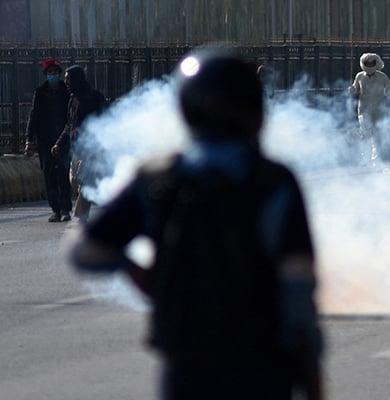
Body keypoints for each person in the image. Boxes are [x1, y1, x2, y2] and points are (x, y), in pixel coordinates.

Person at [69, 48, 323, 400]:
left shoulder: (158, 179)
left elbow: (86, 252)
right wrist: (311, 371)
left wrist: (138, 272)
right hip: (261, 365)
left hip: (186, 366)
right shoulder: (273, 180)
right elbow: (298, 287)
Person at [51, 65, 106, 222]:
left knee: (85, 182)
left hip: (91, 149)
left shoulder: (94, 97)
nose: (66, 82)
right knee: (75, 180)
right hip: (77, 148)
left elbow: (103, 120)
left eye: (69, 79)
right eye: (66, 79)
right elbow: (70, 124)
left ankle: (81, 217)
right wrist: (59, 143)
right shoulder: (72, 99)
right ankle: (98, 197)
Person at [24, 58, 71, 222]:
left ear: (59, 74)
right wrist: (29, 139)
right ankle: (55, 209)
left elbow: (70, 117)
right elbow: (33, 116)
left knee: (63, 172)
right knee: (48, 174)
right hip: (45, 140)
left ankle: (65, 208)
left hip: (63, 138)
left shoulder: (66, 91)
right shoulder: (40, 92)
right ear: (46, 75)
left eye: (55, 73)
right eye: (50, 73)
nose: (53, 75)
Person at [348, 52, 390, 164]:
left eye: (371, 63)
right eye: (367, 64)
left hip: (379, 110)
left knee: (378, 136)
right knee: (364, 134)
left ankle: (377, 159)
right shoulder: (359, 76)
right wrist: (352, 90)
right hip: (364, 110)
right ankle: (366, 159)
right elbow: (356, 88)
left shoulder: (382, 77)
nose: (369, 66)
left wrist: (386, 97)